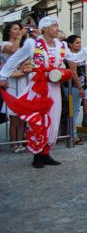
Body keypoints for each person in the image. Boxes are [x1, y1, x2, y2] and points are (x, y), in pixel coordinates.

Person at [0, 16, 65, 168]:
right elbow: (15, 59)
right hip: (38, 88)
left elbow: (72, 58)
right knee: (38, 121)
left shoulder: (60, 45)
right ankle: (37, 155)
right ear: (45, 29)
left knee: (53, 122)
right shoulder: (32, 44)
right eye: (54, 26)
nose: (57, 28)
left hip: (54, 87)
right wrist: (3, 76)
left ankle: (46, 153)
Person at [1, 22, 28, 153]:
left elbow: (26, 62)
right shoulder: (4, 45)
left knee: (22, 116)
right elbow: (12, 51)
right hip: (11, 82)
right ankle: (13, 143)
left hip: (22, 80)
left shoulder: (22, 46)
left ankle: (20, 141)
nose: (18, 31)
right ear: (9, 31)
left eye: (19, 29)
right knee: (13, 117)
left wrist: (25, 70)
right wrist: (20, 37)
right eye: (15, 29)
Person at [64, 35, 87, 145]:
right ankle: (73, 135)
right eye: (77, 43)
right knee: (74, 111)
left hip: (79, 85)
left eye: (80, 42)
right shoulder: (71, 56)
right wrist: (80, 87)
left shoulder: (79, 54)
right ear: (70, 44)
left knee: (75, 111)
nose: (79, 44)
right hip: (73, 86)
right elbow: (73, 73)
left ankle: (71, 133)